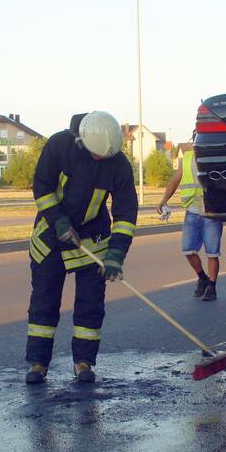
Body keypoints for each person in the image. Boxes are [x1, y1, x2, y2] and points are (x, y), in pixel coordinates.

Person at [25, 111, 138, 384]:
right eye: (96, 155)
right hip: (51, 238)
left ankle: (84, 363)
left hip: (93, 242)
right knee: (44, 303)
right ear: (82, 141)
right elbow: (42, 187)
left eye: (105, 157)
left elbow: (125, 212)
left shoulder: (117, 162)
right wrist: (59, 221)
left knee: (90, 306)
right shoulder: (59, 146)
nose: (100, 160)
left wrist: (116, 254)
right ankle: (38, 363)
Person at [157, 141, 224, 301]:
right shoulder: (186, 158)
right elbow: (175, 180)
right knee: (188, 250)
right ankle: (202, 278)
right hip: (192, 211)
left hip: (211, 212)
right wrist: (164, 200)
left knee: (212, 253)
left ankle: (212, 287)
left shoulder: (213, 156)